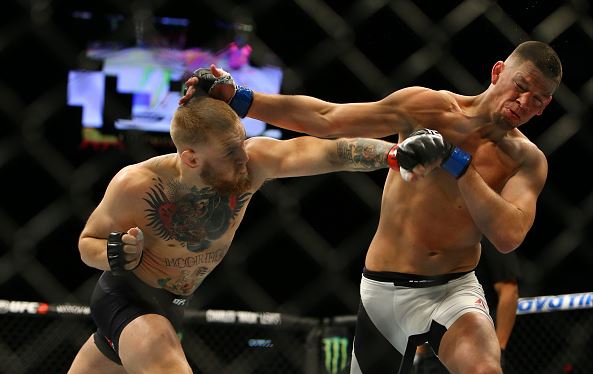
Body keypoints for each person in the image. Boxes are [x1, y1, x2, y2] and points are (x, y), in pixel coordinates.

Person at [181, 40, 562, 374]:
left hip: (454, 289)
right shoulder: (427, 107)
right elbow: (327, 118)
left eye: (539, 100)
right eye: (522, 86)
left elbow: (509, 235)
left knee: (483, 368)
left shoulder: (527, 160)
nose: (525, 103)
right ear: (498, 72)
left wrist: (457, 163)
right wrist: (241, 99)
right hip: (384, 291)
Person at [67, 94, 405, 373]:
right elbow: (86, 244)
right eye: (230, 152)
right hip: (126, 298)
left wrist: (395, 154)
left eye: (241, 142)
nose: (243, 156)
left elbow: (332, 153)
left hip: (174, 305)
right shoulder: (137, 184)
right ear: (191, 157)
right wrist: (114, 253)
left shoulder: (253, 163)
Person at [413, 239, 520, 374]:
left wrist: (500, 348)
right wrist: (419, 352)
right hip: (436, 352)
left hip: (477, 346)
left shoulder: (487, 234)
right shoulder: (433, 239)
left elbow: (509, 289)